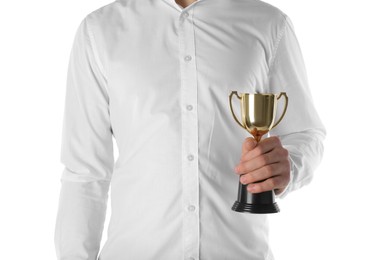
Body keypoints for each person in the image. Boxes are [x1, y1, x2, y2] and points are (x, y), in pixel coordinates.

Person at [54, 0, 326, 259]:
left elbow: (305, 133)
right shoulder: (100, 30)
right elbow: (85, 172)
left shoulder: (268, 24)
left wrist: (289, 165)